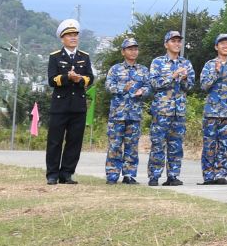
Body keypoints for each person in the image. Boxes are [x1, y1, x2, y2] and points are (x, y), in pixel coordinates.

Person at [45, 18, 95, 185]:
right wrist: (68, 77)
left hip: (78, 106)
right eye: (69, 35)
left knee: (74, 141)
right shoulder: (55, 57)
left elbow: (90, 78)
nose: (73, 38)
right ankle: (52, 174)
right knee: (55, 141)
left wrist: (79, 79)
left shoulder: (84, 57)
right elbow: (52, 80)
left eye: (75, 35)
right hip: (60, 106)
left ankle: (66, 173)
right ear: (62, 38)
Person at [148, 29, 194, 186]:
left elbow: (190, 86)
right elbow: (154, 83)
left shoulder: (186, 63)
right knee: (158, 144)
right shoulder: (158, 62)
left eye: (179, 41)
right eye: (173, 41)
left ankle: (173, 176)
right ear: (166, 44)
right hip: (162, 111)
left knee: (176, 146)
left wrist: (185, 78)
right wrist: (172, 76)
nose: (177, 44)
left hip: (178, 111)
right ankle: (154, 176)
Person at [102, 35, 150, 184]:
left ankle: (129, 175)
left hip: (134, 114)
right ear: (123, 52)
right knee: (115, 145)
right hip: (118, 114)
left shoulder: (142, 70)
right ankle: (112, 175)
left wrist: (143, 92)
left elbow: (149, 87)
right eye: (130, 49)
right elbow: (108, 86)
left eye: (135, 49)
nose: (133, 52)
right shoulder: (115, 69)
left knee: (132, 146)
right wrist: (124, 87)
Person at [198, 33, 227, 185]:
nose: (226, 46)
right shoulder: (209, 64)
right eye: (222, 43)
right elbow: (203, 86)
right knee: (209, 144)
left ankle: (221, 174)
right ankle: (208, 176)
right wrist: (216, 72)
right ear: (216, 47)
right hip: (212, 111)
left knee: (225, 145)